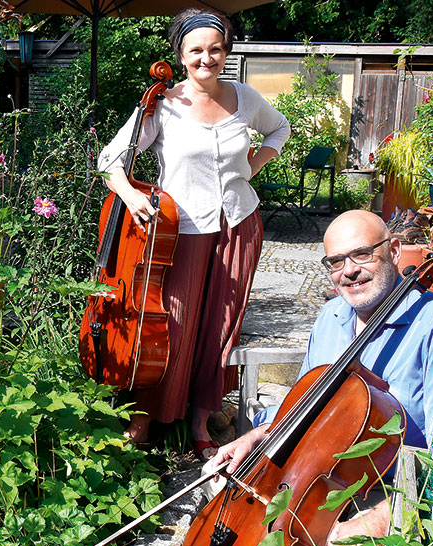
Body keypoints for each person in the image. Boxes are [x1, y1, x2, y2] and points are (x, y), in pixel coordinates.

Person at [209, 209, 433, 546]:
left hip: (395, 494)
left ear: (396, 251)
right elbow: (305, 408)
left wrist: (373, 523)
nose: (349, 271)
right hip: (321, 484)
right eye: (336, 261)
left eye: (362, 254)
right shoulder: (331, 316)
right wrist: (259, 436)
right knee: (222, 493)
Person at [97, 8, 290, 460]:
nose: (207, 58)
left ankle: (201, 419)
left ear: (227, 51)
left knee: (222, 327)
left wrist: (252, 167)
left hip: (239, 224)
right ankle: (149, 414)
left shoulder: (245, 98)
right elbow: (111, 159)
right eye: (196, 50)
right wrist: (128, 193)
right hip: (182, 228)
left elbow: (278, 129)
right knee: (174, 324)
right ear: (181, 55)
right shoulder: (164, 104)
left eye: (216, 48)